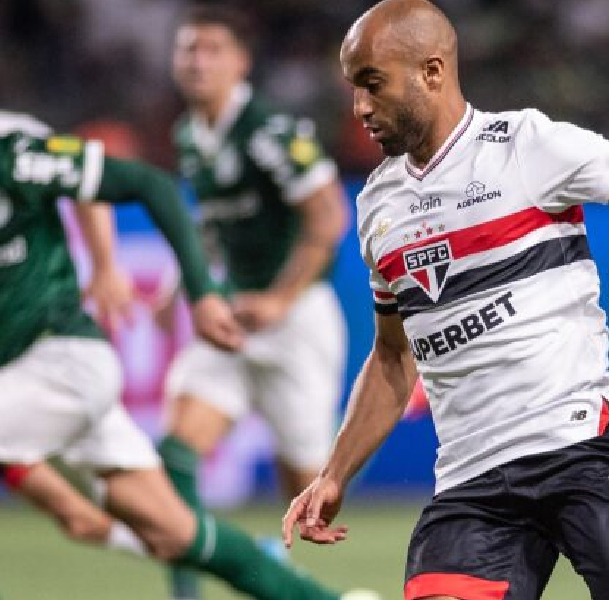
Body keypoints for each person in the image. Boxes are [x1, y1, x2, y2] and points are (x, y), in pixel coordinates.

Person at [282, 1, 609, 599]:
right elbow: (393, 358)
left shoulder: (527, 146)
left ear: (432, 72)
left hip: (584, 449)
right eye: (354, 88)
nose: (359, 106)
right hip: (474, 483)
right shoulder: (377, 206)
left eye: (372, 84)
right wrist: (334, 474)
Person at [0, 123, 351, 600]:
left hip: (61, 360)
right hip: (20, 382)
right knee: (166, 531)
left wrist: (137, 275)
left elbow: (140, 182)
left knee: (305, 476)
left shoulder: (14, 147)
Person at [159, 6, 351, 598]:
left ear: (240, 62)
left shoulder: (270, 131)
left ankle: (281, 572)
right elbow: (215, 224)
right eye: (188, 49)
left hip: (297, 322)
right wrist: (180, 286)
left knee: (308, 496)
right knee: (176, 456)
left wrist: (280, 298)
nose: (197, 61)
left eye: (212, 49)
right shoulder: (188, 135)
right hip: (233, 322)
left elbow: (329, 214)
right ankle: (184, 594)